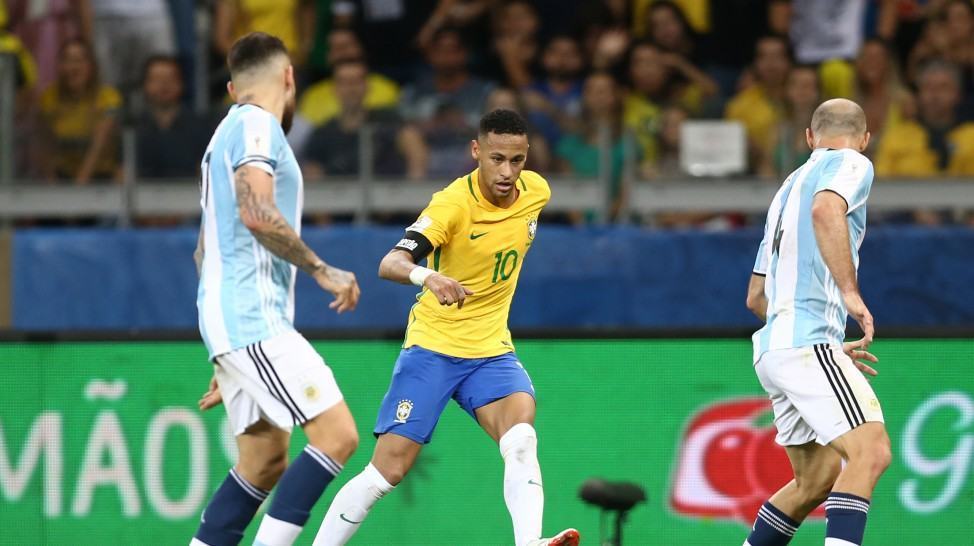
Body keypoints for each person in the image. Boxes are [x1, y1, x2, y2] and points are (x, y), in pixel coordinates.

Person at [312, 109, 580, 546]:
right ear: (476, 152)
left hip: (491, 350)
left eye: (517, 160)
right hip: (433, 348)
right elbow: (390, 263)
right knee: (387, 471)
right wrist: (428, 276)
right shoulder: (451, 205)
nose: (508, 172)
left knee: (521, 438)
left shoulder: (537, 192)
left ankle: (528, 543)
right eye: (497, 159)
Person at [191, 32, 361, 546]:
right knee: (338, 437)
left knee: (264, 462)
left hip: (234, 325)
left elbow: (203, 251)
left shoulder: (223, 134)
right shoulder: (259, 125)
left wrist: (230, 357)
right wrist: (321, 269)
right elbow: (257, 213)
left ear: (230, 86)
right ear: (288, 77)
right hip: (252, 319)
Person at [743, 98, 891, 546]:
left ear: (809, 138)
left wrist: (809, 343)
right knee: (871, 452)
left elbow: (755, 296)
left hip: (776, 347)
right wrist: (848, 295)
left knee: (816, 480)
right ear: (866, 138)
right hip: (805, 344)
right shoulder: (852, 162)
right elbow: (826, 210)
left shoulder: (786, 188)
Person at [37, 38, 121, 183]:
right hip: (61, 176)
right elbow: (44, 144)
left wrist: (80, 184)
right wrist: (50, 181)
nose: (73, 67)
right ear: (60, 66)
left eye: (79, 60)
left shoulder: (109, 97)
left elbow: (100, 144)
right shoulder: (49, 98)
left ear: (91, 66)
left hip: (100, 177)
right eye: (67, 61)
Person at [135, 55, 212, 179]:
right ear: (145, 84)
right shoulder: (132, 128)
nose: (163, 85)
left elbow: (207, 173)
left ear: (182, 83)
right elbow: (122, 174)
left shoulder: (201, 126)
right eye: (156, 79)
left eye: (170, 79)